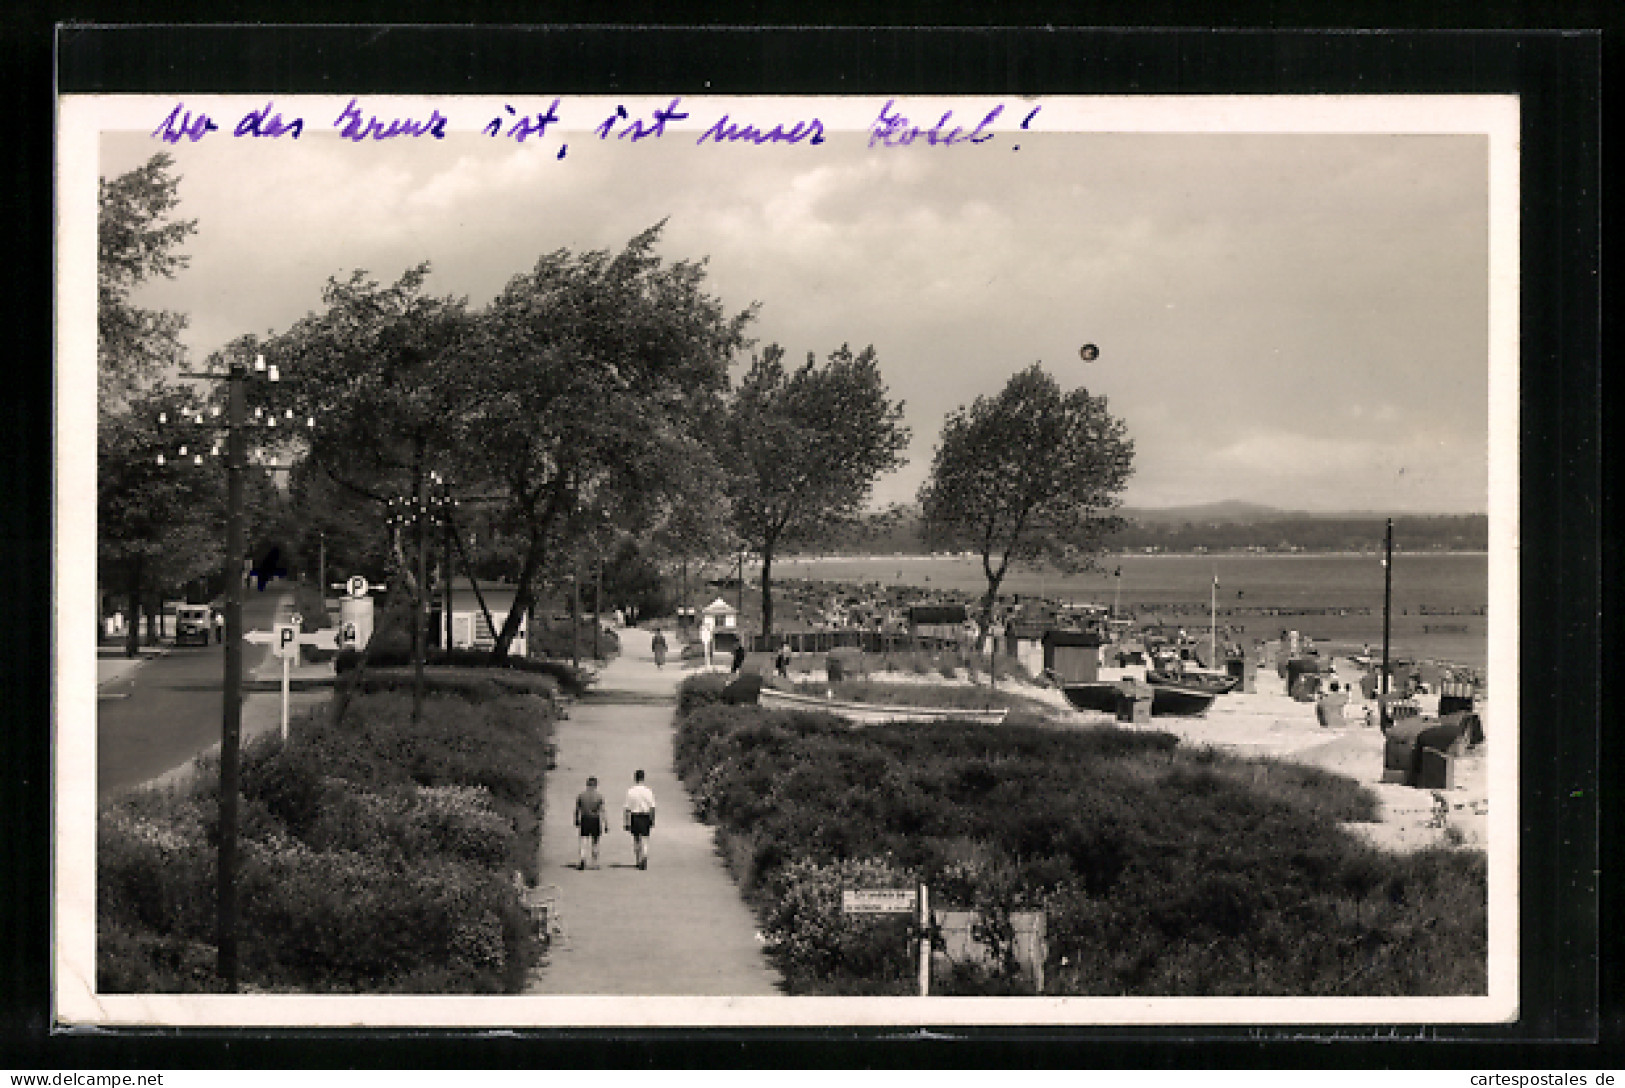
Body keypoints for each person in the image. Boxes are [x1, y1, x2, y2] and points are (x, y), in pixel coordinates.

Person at [623, 769, 656, 870]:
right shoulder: (648, 791)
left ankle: (638, 860)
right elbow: (652, 807)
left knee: (636, 839)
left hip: (635, 816)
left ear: (635, 778)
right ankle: (645, 855)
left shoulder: (631, 791)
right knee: (645, 838)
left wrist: (626, 821)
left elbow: (627, 808)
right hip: (645, 816)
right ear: (643, 778)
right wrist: (652, 819)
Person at [573, 776, 606, 870]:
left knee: (583, 840)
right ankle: (594, 863)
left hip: (585, 819)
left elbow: (577, 809)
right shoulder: (599, 796)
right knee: (595, 842)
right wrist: (606, 823)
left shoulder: (581, 795)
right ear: (596, 785)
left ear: (587, 784)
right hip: (595, 819)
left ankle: (582, 858)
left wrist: (576, 819)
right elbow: (602, 811)